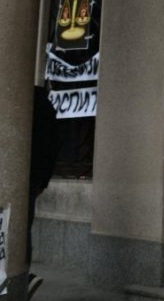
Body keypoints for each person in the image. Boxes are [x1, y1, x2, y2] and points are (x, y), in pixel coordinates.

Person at [28, 84, 60, 300]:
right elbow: (52, 146)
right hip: (32, 179)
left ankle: (20, 277)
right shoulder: (43, 105)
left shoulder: (34, 104)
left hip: (27, 178)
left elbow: (50, 145)